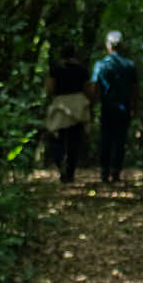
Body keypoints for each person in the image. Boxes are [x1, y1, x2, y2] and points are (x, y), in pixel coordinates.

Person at [90, 31, 139, 184]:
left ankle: (105, 172)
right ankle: (115, 172)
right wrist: (134, 107)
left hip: (107, 108)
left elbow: (94, 87)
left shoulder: (101, 65)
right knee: (119, 140)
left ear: (108, 45)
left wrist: (92, 105)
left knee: (106, 139)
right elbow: (135, 89)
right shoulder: (129, 65)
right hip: (123, 109)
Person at [44, 44, 95, 183]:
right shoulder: (82, 70)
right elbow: (88, 89)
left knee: (57, 138)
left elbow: (50, 88)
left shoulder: (56, 69)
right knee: (74, 140)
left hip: (60, 106)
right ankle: (70, 172)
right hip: (78, 106)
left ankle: (61, 166)